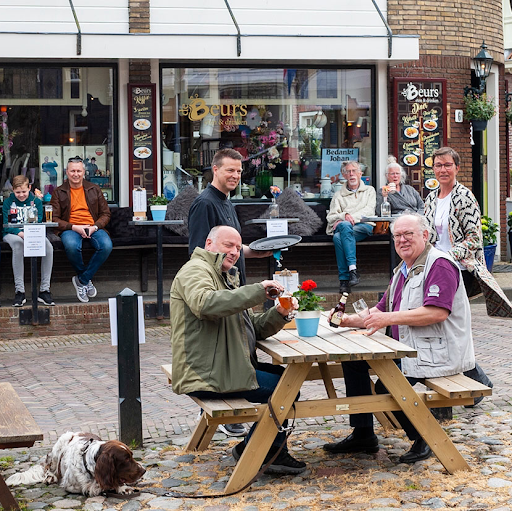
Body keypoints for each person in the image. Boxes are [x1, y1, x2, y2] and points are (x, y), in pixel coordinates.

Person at [323, 213, 476, 463]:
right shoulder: (403, 269)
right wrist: (347, 320)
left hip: (436, 352)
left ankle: (423, 438)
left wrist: (388, 319)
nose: (402, 240)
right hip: (409, 349)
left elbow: (437, 312)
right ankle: (363, 433)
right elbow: (381, 310)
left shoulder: (439, 264)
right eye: (397, 236)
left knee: (388, 384)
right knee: (353, 361)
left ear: (425, 236)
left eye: (408, 234)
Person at [170, 225, 306, 475]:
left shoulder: (225, 276)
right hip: (206, 374)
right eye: (228, 245)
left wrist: (278, 314)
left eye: (237, 247)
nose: (234, 252)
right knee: (285, 389)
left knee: (288, 380)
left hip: (224, 367)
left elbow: (249, 328)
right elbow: (205, 304)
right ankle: (267, 453)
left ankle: (253, 447)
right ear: (209, 244)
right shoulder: (195, 270)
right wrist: (256, 291)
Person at [188, 148, 270, 436]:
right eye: (229, 170)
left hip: (236, 290)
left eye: (238, 170)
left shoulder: (228, 203)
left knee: (241, 350)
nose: (235, 175)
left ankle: (233, 409)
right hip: (221, 293)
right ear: (215, 170)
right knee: (223, 352)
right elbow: (201, 252)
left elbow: (232, 249)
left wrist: (256, 252)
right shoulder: (204, 204)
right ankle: (226, 412)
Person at [424, 146, 494, 401]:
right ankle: (474, 383)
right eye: (438, 165)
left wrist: (448, 256)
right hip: (435, 268)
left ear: (457, 168)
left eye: (447, 165)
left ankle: (474, 384)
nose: (442, 170)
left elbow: (475, 238)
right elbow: (428, 234)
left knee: (448, 326)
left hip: (457, 269)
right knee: (444, 327)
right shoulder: (431, 197)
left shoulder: (464, 197)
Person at [50, 156, 112, 303]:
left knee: (106, 246)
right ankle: (86, 279)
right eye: (72, 171)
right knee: (71, 246)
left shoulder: (94, 189)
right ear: (67, 172)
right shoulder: (59, 192)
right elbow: (54, 218)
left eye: (78, 171)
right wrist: (74, 227)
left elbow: (106, 214)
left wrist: (95, 226)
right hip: (70, 228)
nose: (76, 174)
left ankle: (82, 280)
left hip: (93, 227)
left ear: (84, 172)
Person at [3, 175, 55, 307]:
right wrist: (21, 233)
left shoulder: (36, 201)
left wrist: (30, 234)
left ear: (29, 188)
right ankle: (19, 291)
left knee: (48, 247)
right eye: (17, 192)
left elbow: (38, 222)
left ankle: (45, 289)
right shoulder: (8, 202)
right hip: (12, 233)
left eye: (24, 192)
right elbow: (5, 224)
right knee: (18, 246)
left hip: (32, 233)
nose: (21, 195)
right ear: (13, 190)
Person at [326, 160, 376, 294]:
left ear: (360, 173)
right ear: (344, 175)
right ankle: (352, 271)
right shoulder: (338, 195)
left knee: (339, 235)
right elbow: (330, 217)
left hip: (364, 226)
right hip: (345, 228)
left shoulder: (369, 191)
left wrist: (347, 218)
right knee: (338, 236)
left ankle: (344, 279)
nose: (351, 174)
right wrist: (344, 216)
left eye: (354, 171)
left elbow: (369, 211)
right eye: (348, 172)